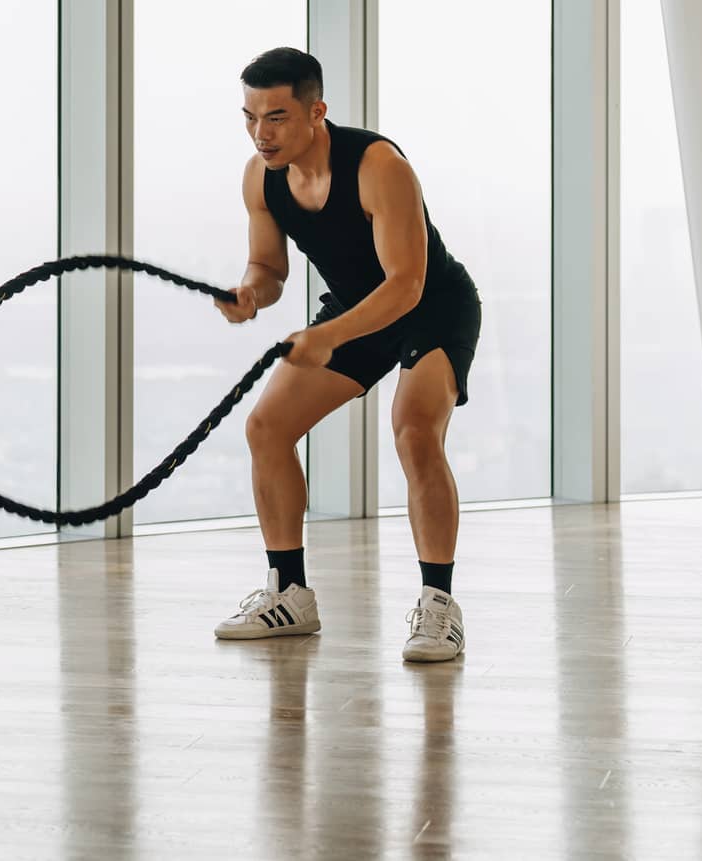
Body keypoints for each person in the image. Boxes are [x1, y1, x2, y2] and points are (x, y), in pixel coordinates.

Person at [211, 47, 481, 663]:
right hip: (358, 307)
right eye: (250, 118)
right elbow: (270, 266)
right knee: (267, 427)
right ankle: (290, 595)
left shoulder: (377, 165)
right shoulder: (261, 176)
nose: (261, 133)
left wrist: (330, 336)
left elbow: (407, 283)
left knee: (414, 432)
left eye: (276, 117)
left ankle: (439, 607)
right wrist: (251, 292)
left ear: (316, 111)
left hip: (432, 304)